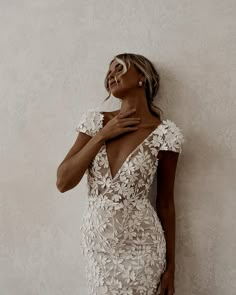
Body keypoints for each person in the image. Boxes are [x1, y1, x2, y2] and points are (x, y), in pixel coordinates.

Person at [56, 53, 184, 295]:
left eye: (119, 68)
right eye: (108, 71)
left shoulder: (165, 135)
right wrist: (102, 135)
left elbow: (166, 202)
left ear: (141, 78)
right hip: (99, 249)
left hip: (143, 248)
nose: (111, 75)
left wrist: (171, 268)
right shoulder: (95, 122)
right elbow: (63, 181)